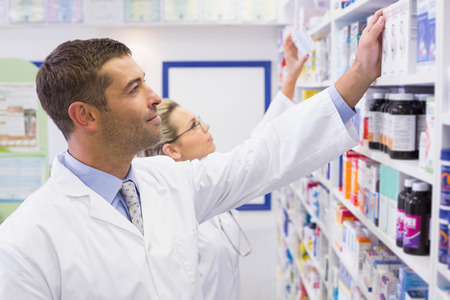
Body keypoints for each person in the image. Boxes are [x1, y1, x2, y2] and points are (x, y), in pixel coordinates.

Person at [0, 9, 385, 300]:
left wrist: (360, 74)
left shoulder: (168, 180)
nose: (155, 97)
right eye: (134, 88)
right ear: (85, 115)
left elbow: (264, 155)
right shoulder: (25, 240)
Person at [143, 35, 309, 300]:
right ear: (171, 150)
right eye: (194, 126)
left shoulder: (211, 179)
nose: (205, 127)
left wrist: (290, 77)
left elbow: (260, 145)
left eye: (199, 120)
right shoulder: (170, 212)